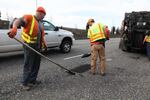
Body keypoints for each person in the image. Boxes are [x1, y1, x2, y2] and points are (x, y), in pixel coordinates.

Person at [8, 7, 47, 90]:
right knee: (29, 64)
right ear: (39, 13)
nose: (43, 18)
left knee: (36, 64)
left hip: (37, 46)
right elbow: (18, 20)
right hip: (29, 45)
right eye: (43, 16)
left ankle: (32, 80)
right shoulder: (29, 17)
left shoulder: (40, 23)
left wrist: (44, 44)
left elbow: (42, 35)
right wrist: (14, 28)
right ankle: (24, 83)